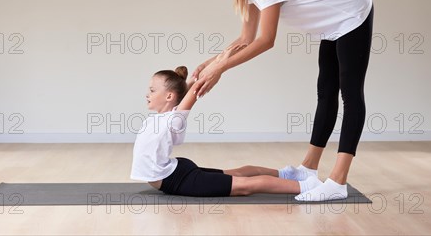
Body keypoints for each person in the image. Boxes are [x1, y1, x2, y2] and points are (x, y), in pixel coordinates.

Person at [192, 0, 374, 201]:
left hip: (351, 12)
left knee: (350, 94)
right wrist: (212, 63)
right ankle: (309, 169)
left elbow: (266, 41)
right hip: (331, 26)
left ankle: (338, 181)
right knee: (326, 94)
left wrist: (221, 68)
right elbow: (246, 37)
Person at [130, 46, 323, 197]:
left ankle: (307, 185)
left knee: (244, 186)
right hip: (174, 170)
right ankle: (287, 173)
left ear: (169, 96)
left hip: (176, 178)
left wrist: (221, 62)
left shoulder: (174, 119)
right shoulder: (163, 116)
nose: (148, 94)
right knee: (237, 174)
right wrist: (215, 63)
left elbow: (195, 89)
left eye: (152, 90)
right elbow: (188, 89)